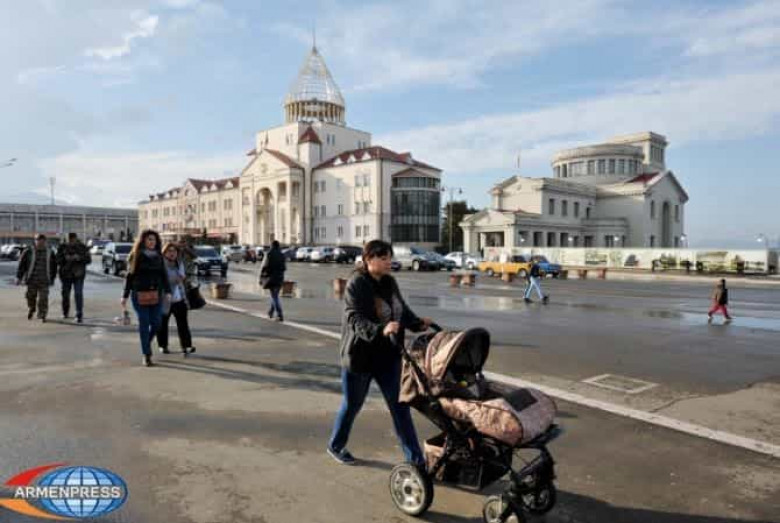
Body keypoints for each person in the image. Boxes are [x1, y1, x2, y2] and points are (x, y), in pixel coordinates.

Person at [328, 240, 434, 466]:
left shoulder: (389, 281)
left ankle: (415, 461)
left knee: (400, 407)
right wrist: (380, 329)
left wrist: (417, 323)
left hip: (388, 356)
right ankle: (336, 445)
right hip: (360, 357)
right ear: (368, 259)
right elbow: (354, 318)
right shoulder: (357, 283)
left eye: (390, 258)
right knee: (352, 405)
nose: (389, 262)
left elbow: (400, 310)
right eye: (383, 258)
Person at [121, 230, 171, 367]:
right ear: (143, 241)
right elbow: (129, 277)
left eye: (154, 239)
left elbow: (164, 275)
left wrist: (168, 291)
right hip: (139, 294)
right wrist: (124, 295)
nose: (151, 242)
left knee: (157, 323)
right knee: (144, 322)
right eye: (149, 239)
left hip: (156, 294)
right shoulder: (136, 255)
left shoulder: (159, 256)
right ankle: (146, 354)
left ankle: (146, 343)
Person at [157, 243, 196, 356]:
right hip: (164, 299)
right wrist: (175, 278)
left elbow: (182, 277)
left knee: (183, 324)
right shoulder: (161, 264)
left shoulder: (179, 263)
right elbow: (162, 279)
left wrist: (179, 278)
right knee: (162, 324)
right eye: (169, 251)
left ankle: (186, 346)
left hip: (179, 298)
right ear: (164, 252)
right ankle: (163, 345)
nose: (172, 253)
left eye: (174, 251)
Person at [16, 234, 57, 322]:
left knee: (43, 298)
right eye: (38, 240)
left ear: (45, 241)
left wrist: (53, 278)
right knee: (30, 297)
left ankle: (42, 314)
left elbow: (54, 266)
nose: (40, 243)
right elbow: (22, 265)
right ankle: (32, 308)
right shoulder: (28, 251)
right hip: (32, 279)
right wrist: (19, 277)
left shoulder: (50, 252)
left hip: (45, 280)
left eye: (42, 241)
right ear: (35, 241)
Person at [56, 232, 90, 323]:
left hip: (78, 275)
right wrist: (65, 258)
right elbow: (57, 260)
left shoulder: (82, 247)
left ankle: (79, 314)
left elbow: (88, 259)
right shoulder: (62, 247)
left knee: (78, 294)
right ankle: (65, 312)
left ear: (75, 238)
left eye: (72, 239)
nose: (71, 241)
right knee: (65, 295)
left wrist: (78, 258)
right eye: (69, 240)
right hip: (66, 275)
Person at [259, 240, 286, 322]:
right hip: (280, 277)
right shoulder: (282, 255)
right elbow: (284, 268)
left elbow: (264, 266)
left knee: (274, 296)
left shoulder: (269, 254)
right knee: (275, 295)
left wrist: (260, 277)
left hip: (271, 277)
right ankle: (270, 312)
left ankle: (279, 314)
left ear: (272, 246)